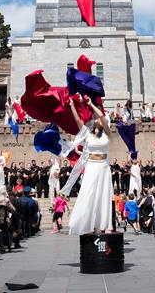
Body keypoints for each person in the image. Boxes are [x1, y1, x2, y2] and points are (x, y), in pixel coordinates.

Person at [64, 96, 113, 235]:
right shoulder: (87, 134)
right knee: (90, 193)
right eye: (94, 118)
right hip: (91, 166)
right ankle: (92, 225)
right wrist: (72, 105)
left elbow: (102, 116)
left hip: (104, 166)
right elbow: (78, 120)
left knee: (104, 195)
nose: (96, 119)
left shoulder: (107, 133)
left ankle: (105, 224)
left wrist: (91, 104)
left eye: (97, 118)